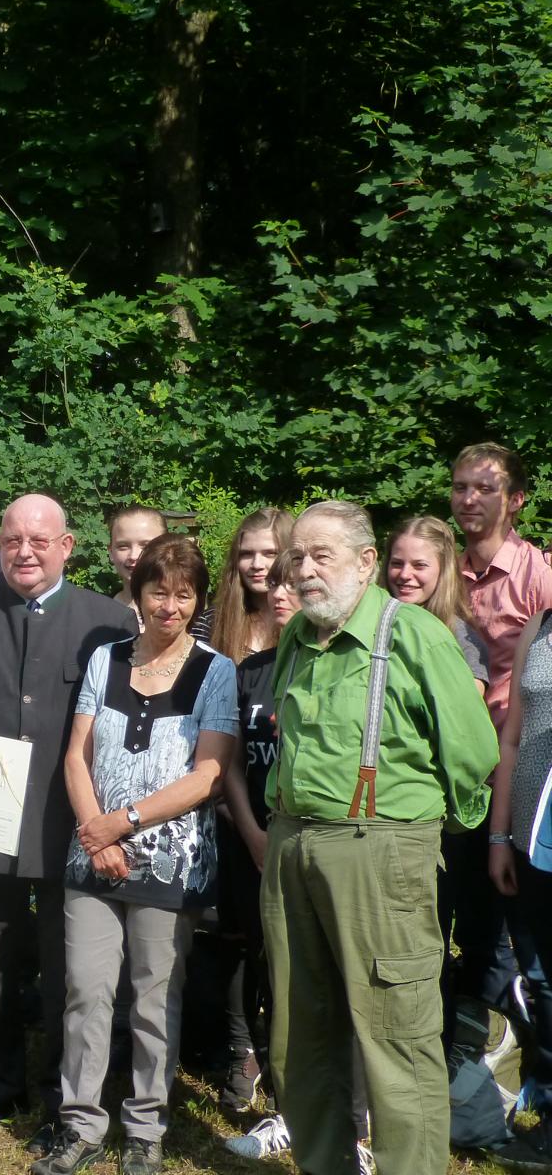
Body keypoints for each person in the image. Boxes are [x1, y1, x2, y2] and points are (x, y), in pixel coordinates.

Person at [262, 500, 497, 1175]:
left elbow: (474, 751)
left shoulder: (416, 634)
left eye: (320, 556)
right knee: (299, 1036)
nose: (304, 570)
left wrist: (420, 828)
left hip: (380, 846)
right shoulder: (296, 638)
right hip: (292, 846)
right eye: (296, 557)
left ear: (368, 562)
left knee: (397, 1040)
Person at [0, 495, 137, 1144]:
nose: (25, 552)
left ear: (67, 547)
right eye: (12, 540)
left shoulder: (108, 620)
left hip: (72, 818)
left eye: (40, 541)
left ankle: (63, 1093)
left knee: (71, 965)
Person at [44, 535, 237, 1175]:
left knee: (155, 1000)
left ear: (199, 600)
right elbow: (77, 754)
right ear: (138, 592)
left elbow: (209, 775)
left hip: (170, 863)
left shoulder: (217, 672)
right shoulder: (104, 659)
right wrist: (93, 831)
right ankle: (80, 1125)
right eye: (159, 590)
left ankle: (146, 1129)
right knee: (86, 991)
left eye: (185, 594)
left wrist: (121, 824)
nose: (170, 605)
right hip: (91, 856)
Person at [450, 443, 552, 1035]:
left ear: (515, 501)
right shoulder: (444, 569)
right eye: (461, 487)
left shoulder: (537, 578)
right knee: (472, 924)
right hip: (460, 770)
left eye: (485, 489)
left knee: (520, 931)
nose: (469, 499)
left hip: (516, 769)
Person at [219, 556, 301, 1152]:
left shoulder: (336, 668)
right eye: (275, 583)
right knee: (261, 963)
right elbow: (228, 764)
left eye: (293, 584)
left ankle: (326, 1108)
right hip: (252, 840)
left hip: (312, 847)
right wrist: (250, 833)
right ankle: (275, 1093)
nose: (279, 593)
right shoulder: (252, 670)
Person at [487, 587, 552, 1165]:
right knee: (544, 976)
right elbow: (511, 738)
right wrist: (499, 835)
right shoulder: (540, 625)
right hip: (533, 837)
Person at [383, 515, 488, 693]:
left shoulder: (463, 640)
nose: (404, 574)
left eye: (419, 565)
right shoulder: (367, 624)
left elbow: (463, 709)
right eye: (397, 563)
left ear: (443, 570)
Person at [209, 507, 294, 663]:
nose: (256, 564)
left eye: (270, 553)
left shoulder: (310, 625)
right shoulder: (212, 621)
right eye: (246, 554)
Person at [107, 506, 167, 619]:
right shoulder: (96, 614)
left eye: (145, 546)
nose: (133, 556)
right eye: (123, 546)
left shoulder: (187, 617)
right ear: (111, 552)